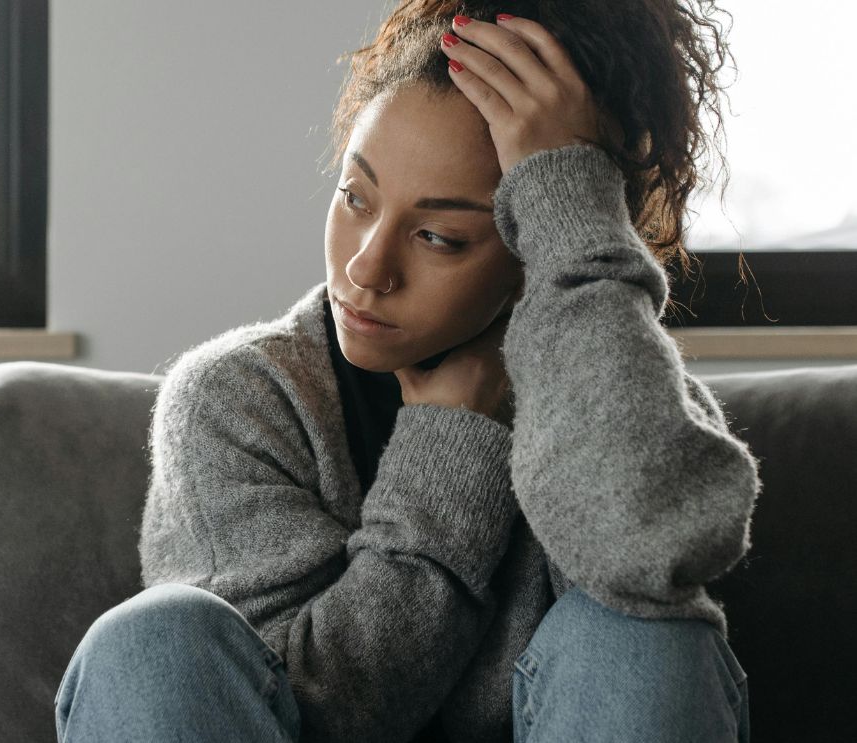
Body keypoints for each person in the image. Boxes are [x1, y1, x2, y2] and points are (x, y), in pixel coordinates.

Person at [55, 1, 761, 741]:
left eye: (438, 236)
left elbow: (648, 560)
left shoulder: (639, 407)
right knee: (156, 638)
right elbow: (313, 713)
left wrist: (573, 212)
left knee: (641, 635)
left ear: (537, 238)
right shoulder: (236, 399)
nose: (365, 268)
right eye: (354, 197)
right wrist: (448, 450)